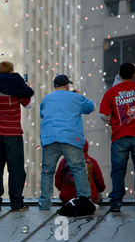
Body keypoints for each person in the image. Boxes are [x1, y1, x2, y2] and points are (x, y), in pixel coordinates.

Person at [0, 61, 34, 212]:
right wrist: (27, 88)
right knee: (16, 170)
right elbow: (29, 104)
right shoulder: (17, 89)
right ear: (11, 72)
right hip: (13, 134)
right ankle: (16, 202)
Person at [38, 74, 95, 210]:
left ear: (54, 86)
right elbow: (91, 107)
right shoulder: (75, 97)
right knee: (78, 169)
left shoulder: (46, 99)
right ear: (67, 85)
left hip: (50, 138)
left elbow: (42, 115)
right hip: (70, 138)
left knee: (47, 171)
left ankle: (44, 203)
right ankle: (85, 200)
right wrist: (80, 96)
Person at [99, 62, 135, 212]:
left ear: (119, 74)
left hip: (120, 136)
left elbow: (103, 115)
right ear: (134, 75)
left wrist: (114, 120)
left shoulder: (111, 92)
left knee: (118, 171)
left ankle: (116, 203)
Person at [55, 140, 106, 205]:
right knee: (99, 196)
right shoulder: (92, 162)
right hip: (89, 199)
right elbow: (100, 183)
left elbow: (58, 183)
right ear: (87, 149)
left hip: (67, 198)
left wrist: (66, 190)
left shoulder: (64, 162)